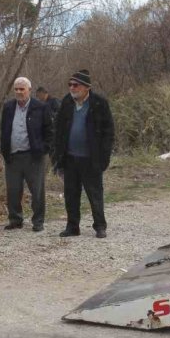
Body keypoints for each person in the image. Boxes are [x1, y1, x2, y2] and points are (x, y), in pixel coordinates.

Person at [52, 69, 115, 239]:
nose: (72, 88)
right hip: (70, 158)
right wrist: (57, 156)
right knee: (71, 194)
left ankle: (100, 226)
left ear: (87, 87)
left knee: (94, 194)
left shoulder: (99, 103)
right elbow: (58, 130)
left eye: (76, 85)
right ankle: (72, 226)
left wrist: (104, 158)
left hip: (91, 158)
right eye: (70, 85)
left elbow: (108, 132)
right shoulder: (66, 102)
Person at [0, 77, 53, 232]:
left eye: (22, 89)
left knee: (37, 191)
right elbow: (4, 130)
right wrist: (4, 150)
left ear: (29, 90)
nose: (18, 92)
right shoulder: (8, 107)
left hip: (33, 157)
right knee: (13, 190)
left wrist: (43, 149)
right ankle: (15, 220)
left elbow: (50, 131)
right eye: (16, 89)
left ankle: (38, 221)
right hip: (13, 156)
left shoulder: (40, 107)